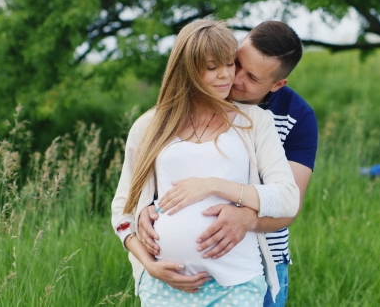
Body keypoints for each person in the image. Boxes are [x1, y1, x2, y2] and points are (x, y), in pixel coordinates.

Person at [111, 19, 300, 306]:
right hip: (164, 286)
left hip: (236, 283)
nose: (226, 76)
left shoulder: (256, 122)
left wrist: (214, 186)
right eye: (212, 68)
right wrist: (148, 265)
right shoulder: (149, 126)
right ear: (187, 69)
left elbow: (287, 199)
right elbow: (122, 211)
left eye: (229, 63)